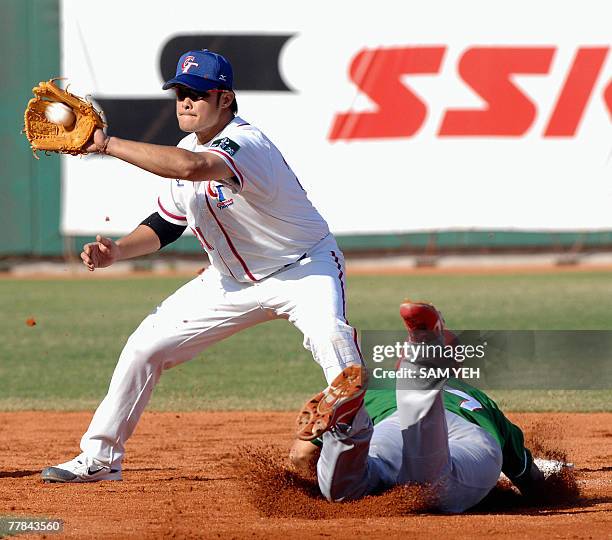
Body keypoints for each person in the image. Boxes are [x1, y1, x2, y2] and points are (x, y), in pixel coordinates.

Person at [41, 49, 365, 483]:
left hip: (302, 269)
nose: (185, 102)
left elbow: (195, 168)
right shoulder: (183, 149)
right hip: (229, 283)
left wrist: (106, 144)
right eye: (179, 93)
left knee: (334, 346)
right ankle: (100, 459)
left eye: (196, 93)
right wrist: (116, 251)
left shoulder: (245, 143)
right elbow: (165, 225)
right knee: (143, 349)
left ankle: (364, 445)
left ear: (225, 99)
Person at [290, 301, 570, 512]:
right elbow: (528, 478)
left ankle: (347, 429)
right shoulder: (477, 398)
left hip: (389, 428)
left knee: (347, 492)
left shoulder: (377, 382)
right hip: (467, 438)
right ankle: (423, 358)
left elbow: (301, 455)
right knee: (431, 484)